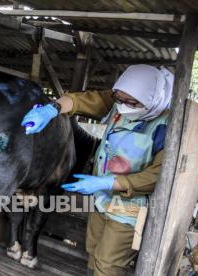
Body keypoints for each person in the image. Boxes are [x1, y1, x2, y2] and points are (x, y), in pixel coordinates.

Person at [21, 64, 174, 276]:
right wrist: (52, 109)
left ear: (152, 99)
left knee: (108, 265)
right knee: (93, 253)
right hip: (101, 199)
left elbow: (158, 175)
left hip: (128, 208)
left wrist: (108, 182)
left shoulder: (166, 128)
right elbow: (79, 100)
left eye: (129, 102)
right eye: (118, 98)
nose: (121, 106)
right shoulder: (119, 102)